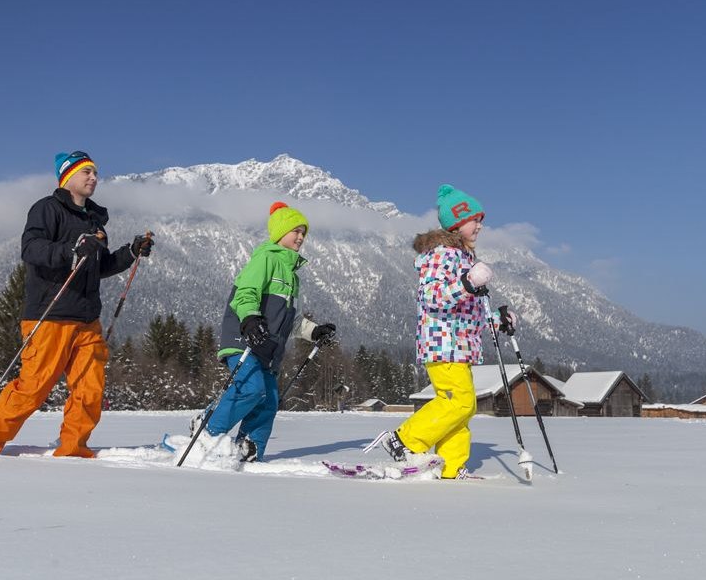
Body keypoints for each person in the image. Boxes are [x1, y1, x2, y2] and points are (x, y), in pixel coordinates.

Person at [0, 150, 154, 457]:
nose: (94, 177)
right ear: (67, 177)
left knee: (89, 390)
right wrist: (71, 250)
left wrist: (130, 252)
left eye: (95, 173)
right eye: (86, 172)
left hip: (87, 320)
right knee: (32, 390)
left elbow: (97, 266)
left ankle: (73, 451)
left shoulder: (94, 220)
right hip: (50, 316)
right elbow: (32, 249)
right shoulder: (47, 209)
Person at [369, 184, 515, 479]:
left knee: (462, 409)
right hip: (443, 342)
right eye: (476, 220)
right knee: (459, 402)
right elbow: (432, 297)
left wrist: (498, 321)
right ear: (458, 222)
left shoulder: (464, 258)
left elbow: (471, 308)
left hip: (460, 344)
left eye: (481, 220)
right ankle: (405, 440)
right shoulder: (441, 255)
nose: (480, 227)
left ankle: (450, 467)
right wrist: (468, 284)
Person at [197, 201, 335, 462]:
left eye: (304, 232)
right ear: (280, 231)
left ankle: (248, 450)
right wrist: (249, 319)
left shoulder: (293, 277)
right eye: (296, 230)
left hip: (268, 350)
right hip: (244, 339)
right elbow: (245, 294)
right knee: (251, 388)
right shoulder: (266, 258)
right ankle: (206, 432)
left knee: (268, 400)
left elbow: (291, 321)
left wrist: (315, 332)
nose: (301, 237)